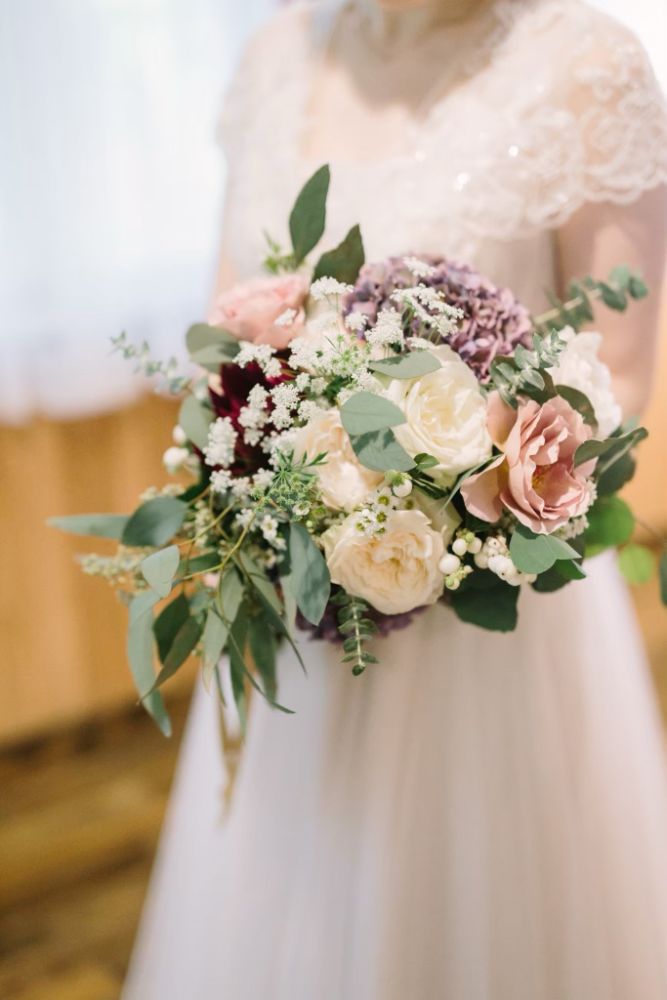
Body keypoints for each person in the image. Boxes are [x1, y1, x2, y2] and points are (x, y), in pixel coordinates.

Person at [124, 1, 667, 997]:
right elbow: (225, 334)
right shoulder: (274, 58)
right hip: (301, 611)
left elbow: (619, 380)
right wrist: (285, 480)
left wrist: (438, 486)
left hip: (493, 632)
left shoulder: (587, 67)